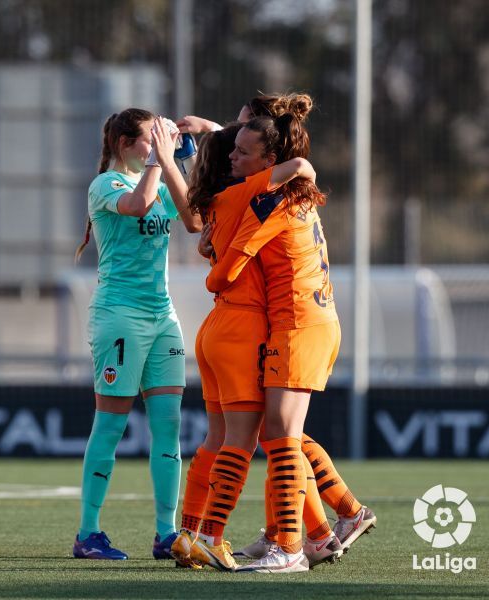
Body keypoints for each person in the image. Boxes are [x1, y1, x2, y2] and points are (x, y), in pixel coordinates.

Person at [177, 95, 375, 560]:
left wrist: (213, 257)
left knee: (278, 435)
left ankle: (287, 543)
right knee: (278, 433)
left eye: (243, 147)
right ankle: (308, 533)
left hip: (294, 323)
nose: (232, 152)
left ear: (270, 159)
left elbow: (223, 272)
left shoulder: (265, 201)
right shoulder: (286, 194)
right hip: (305, 320)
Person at [72, 109, 202, 560]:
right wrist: (157, 162)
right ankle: (88, 532)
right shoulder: (106, 185)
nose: (157, 146)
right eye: (150, 139)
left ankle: (166, 533)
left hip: (160, 315)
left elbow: (196, 221)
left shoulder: (160, 180)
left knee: (169, 426)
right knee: (110, 424)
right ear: (125, 143)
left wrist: (190, 149)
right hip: (119, 315)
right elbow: (137, 205)